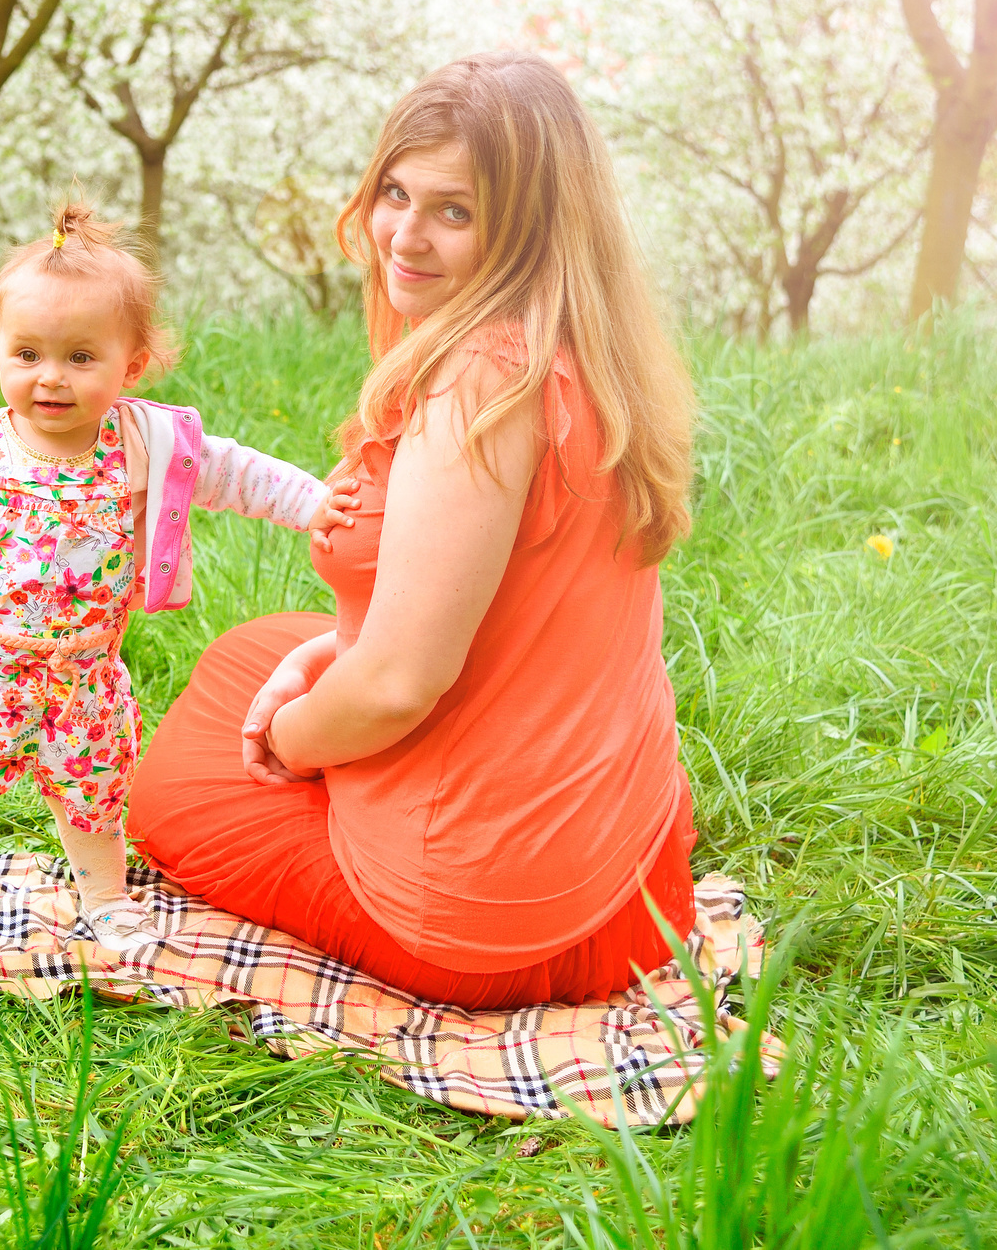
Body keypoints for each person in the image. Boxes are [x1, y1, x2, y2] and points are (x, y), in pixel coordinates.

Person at [126, 53, 700, 1009]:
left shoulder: (482, 383)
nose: (404, 235)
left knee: (177, 782)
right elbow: (510, 612)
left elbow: (398, 684)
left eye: (456, 212)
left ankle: (356, 819)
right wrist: (316, 666)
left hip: (488, 926)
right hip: (637, 877)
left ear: (528, 229)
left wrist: (294, 743)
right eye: (395, 192)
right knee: (256, 650)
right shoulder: (589, 345)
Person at [0, 202, 356, 972]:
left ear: (132, 365)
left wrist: (313, 502)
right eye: (28, 353)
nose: (51, 376)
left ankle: (106, 899)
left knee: (91, 791)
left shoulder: (145, 445)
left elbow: (235, 472)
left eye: (82, 357)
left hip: (82, 669)